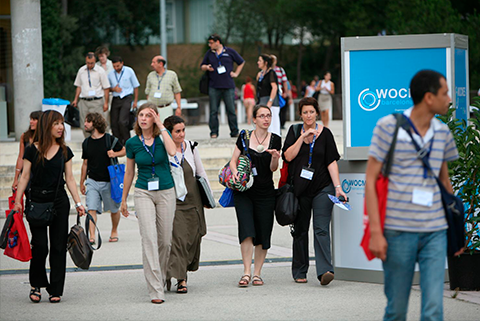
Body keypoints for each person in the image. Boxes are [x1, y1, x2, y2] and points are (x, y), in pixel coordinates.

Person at [365, 70, 460, 321]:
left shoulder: (442, 133)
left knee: (433, 310)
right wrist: (376, 231)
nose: (449, 99)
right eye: (445, 93)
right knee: (396, 310)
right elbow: (371, 179)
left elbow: (444, 180)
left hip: (435, 231)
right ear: (429, 97)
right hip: (397, 230)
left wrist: (454, 227)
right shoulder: (388, 127)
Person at [12, 110, 86, 303]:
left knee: (58, 247)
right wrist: (18, 201)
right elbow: (25, 176)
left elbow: (69, 179)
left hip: (59, 202)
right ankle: (36, 284)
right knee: (40, 246)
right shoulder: (31, 149)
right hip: (36, 202)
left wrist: (78, 203)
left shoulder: (65, 151)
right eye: (56, 124)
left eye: (62, 123)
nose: (61, 127)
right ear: (47, 126)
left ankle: (55, 289)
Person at [282, 97, 346, 285]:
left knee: (321, 229)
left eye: (311, 112)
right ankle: (300, 270)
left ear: (317, 113)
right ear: (300, 114)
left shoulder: (325, 134)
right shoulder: (294, 132)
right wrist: (303, 138)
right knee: (300, 230)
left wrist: (338, 187)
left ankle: (325, 270)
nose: (308, 115)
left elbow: (331, 162)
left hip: (322, 188)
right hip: (300, 190)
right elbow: (287, 156)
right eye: (305, 112)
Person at [120, 102, 177, 304]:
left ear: (155, 118)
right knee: (149, 239)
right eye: (141, 115)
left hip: (166, 191)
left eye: (148, 115)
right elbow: (128, 172)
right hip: (143, 191)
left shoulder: (163, 138)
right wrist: (124, 199)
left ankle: (160, 278)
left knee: (165, 241)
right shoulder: (133, 143)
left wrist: (161, 125)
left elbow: (172, 152)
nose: (143, 118)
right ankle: (156, 290)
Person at [229, 105, 281, 287]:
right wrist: (235, 172)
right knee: (247, 231)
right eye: (262, 116)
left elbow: (273, 169)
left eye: (268, 116)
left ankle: (257, 273)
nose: (266, 119)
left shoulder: (276, 140)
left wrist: (275, 157)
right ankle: (246, 272)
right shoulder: (244, 137)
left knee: (263, 232)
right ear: (254, 119)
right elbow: (233, 161)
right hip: (244, 191)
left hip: (266, 191)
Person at [164, 115, 211, 294]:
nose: (182, 134)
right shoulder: (164, 149)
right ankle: (181, 278)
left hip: (194, 201)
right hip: (174, 203)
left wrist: (207, 199)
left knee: (193, 239)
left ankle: (176, 272)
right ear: (169, 132)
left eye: (183, 130)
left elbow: (200, 172)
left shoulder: (191, 147)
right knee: (179, 241)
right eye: (177, 131)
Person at [80, 112, 126, 244]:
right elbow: (85, 164)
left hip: (109, 181)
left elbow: (125, 151)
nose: (85, 124)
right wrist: (82, 182)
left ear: (95, 123)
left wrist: (114, 153)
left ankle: (114, 230)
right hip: (92, 181)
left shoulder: (109, 139)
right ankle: (92, 236)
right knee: (91, 208)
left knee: (114, 209)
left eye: (88, 122)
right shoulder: (86, 143)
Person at [201, 34, 245, 138]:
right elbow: (202, 66)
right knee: (213, 111)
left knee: (231, 110)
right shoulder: (209, 53)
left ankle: (234, 132)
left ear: (218, 42)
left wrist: (236, 73)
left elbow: (241, 62)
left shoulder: (229, 51)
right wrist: (207, 67)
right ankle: (214, 132)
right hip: (214, 86)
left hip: (228, 86)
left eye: (211, 43)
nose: (209, 45)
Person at [72, 52, 110, 137]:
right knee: (84, 124)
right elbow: (78, 86)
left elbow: (106, 88)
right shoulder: (81, 70)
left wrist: (106, 103)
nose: (90, 65)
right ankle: (88, 142)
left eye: (92, 63)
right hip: (84, 100)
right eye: (88, 63)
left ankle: (103, 141)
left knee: (99, 123)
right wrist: (75, 99)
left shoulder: (100, 71)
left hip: (96, 101)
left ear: (95, 61)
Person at [108, 56, 140, 145]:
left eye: (118, 66)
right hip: (116, 98)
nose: (116, 68)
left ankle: (127, 141)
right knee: (114, 123)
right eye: (114, 66)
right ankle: (118, 143)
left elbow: (136, 86)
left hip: (127, 97)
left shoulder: (129, 71)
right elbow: (107, 88)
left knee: (122, 121)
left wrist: (135, 101)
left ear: (122, 63)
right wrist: (113, 89)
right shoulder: (110, 74)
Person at [145, 55, 182, 122]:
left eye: (154, 62)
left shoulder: (172, 75)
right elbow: (147, 92)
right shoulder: (150, 75)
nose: (151, 64)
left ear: (160, 64)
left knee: (165, 128)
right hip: (152, 108)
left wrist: (178, 107)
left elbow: (177, 91)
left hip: (166, 108)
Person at [12, 110, 42, 191]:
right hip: (27, 172)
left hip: (41, 172)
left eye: (34, 119)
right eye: (31, 119)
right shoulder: (25, 136)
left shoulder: (46, 138)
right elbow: (21, 157)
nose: (31, 122)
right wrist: (16, 178)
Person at [256, 54, 280, 136]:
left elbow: (274, 87)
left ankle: (275, 140)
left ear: (265, 63)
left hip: (270, 101)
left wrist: (270, 101)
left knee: (273, 124)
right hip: (262, 100)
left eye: (260, 61)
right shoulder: (261, 74)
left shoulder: (271, 73)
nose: (258, 62)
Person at [271, 55, 292, 130]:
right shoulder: (266, 70)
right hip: (270, 92)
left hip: (279, 92)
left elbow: (285, 82)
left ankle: (281, 123)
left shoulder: (280, 70)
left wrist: (286, 92)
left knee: (282, 108)